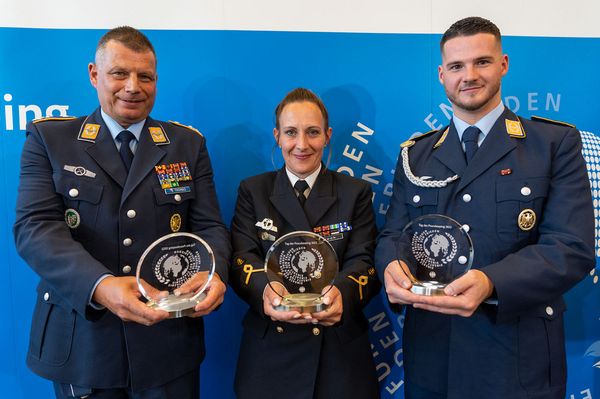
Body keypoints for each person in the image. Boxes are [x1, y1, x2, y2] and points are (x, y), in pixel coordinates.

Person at [375, 16, 595, 399]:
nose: (469, 76)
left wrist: (491, 282)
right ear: (441, 75)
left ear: (504, 64)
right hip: (433, 357)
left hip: (516, 355)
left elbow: (570, 248)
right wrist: (390, 266)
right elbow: (394, 234)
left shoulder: (553, 144)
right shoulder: (417, 155)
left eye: (482, 62)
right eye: (457, 66)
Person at [13, 26, 231, 399]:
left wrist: (214, 274)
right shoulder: (51, 140)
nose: (133, 86)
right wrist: (102, 286)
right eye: (119, 73)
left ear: (156, 80)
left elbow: (209, 227)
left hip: (168, 342)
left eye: (144, 76)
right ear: (95, 75)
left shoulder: (187, 145)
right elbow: (36, 229)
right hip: (84, 342)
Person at [229, 88, 380, 399]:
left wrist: (343, 294)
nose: (301, 144)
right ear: (277, 136)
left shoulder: (356, 192)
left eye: (312, 132)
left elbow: (364, 260)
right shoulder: (253, 191)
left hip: (338, 354)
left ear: (327, 136)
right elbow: (242, 256)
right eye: (290, 133)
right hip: (270, 352)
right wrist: (266, 291)